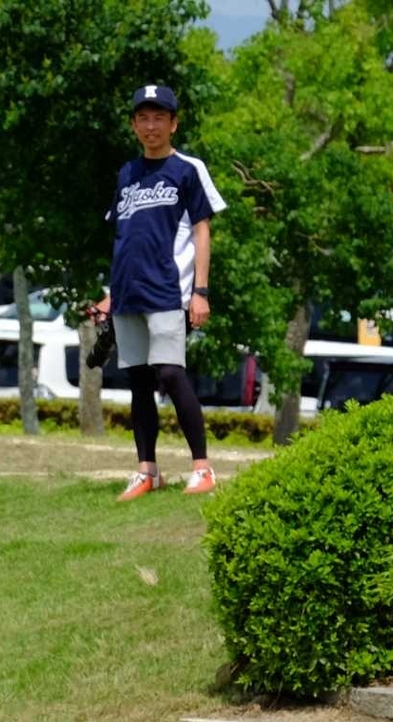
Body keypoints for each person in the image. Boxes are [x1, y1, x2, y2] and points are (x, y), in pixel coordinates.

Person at [94, 83, 225, 500]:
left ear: (173, 123)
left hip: (169, 289)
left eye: (159, 117)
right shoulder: (126, 174)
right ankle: (147, 471)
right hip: (128, 292)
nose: (151, 126)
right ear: (134, 124)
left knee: (170, 372)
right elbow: (125, 238)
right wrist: (109, 294)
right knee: (138, 380)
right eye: (143, 118)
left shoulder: (187, 169)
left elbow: (203, 230)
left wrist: (200, 291)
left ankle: (202, 469)